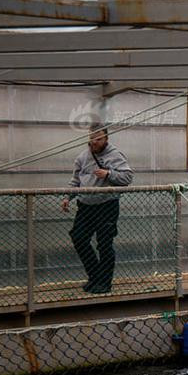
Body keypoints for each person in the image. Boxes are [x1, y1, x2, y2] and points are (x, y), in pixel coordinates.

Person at [61, 123, 133, 294]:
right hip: (85, 205)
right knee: (78, 238)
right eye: (92, 138)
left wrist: (109, 174)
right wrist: (67, 197)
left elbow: (128, 177)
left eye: (98, 138)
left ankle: (104, 283)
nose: (94, 141)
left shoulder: (115, 155)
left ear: (106, 138)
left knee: (105, 244)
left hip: (107, 205)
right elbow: (76, 181)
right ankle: (95, 276)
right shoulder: (82, 157)